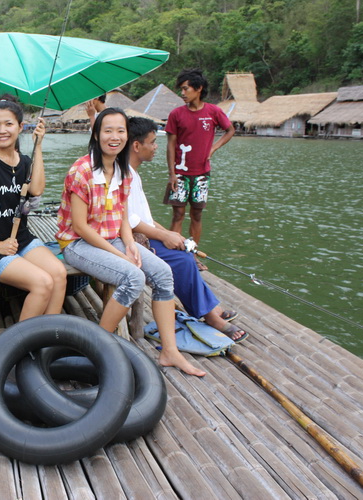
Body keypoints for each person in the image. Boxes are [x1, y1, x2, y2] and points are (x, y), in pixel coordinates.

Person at [56, 107, 205, 376]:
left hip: (113, 238)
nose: (114, 136)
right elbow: (79, 226)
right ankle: (98, 347)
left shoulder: (124, 170)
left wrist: (130, 244)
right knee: (133, 277)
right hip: (78, 244)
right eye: (108, 130)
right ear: (96, 133)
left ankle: (169, 351)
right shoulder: (82, 171)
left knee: (163, 272)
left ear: (127, 136)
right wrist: (122, 257)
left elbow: (122, 215)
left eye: (120, 130)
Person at [128, 116, 248, 342]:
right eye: (152, 142)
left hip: (142, 233)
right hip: (131, 240)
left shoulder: (133, 174)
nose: (156, 148)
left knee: (184, 251)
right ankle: (210, 316)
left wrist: (171, 234)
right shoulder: (124, 174)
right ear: (136, 146)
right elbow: (130, 221)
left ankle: (210, 309)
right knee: (181, 260)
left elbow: (144, 217)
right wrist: (164, 235)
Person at [0, 96, 66, 321]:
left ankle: (48, 339)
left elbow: (36, 189)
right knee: (42, 283)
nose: (2, 130)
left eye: (8, 124)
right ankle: (19, 347)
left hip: (20, 239)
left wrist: (38, 146)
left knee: (58, 274)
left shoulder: (24, 161)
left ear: (20, 127)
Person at [164, 68, 235, 270]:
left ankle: (192, 255)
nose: (182, 93)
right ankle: (173, 255)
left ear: (199, 88)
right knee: (177, 214)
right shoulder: (176, 114)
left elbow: (230, 130)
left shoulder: (213, 112)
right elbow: (170, 145)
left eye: (186, 89)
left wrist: (214, 147)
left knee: (197, 215)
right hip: (180, 173)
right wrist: (172, 174)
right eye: (181, 89)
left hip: (202, 174)